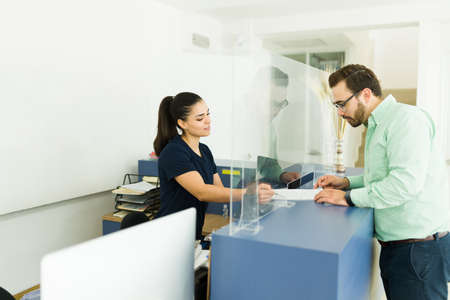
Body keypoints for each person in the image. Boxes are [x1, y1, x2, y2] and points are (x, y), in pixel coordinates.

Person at [313, 64, 450, 300]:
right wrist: (345, 182)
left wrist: (347, 198)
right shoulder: (377, 125)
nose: (340, 112)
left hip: (418, 251)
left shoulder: (406, 120)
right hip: (401, 249)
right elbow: (381, 178)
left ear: (365, 94)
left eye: (341, 104)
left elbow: (403, 184)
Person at [153, 92, 274, 240]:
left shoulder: (204, 150)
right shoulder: (174, 152)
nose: (208, 121)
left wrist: (249, 188)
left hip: (192, 232)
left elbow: (219, 191)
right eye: (200, 118)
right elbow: (202, 192)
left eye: (208, 114)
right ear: (182, 123)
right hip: (168, 234)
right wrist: (246, 193)